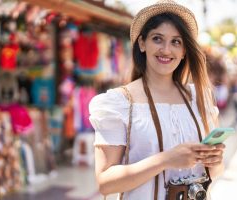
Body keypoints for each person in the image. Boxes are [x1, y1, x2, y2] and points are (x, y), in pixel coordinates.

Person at [89, 0, 225, 199]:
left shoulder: (199, 98)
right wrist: (166, 159)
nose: (166, 50)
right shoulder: (119, 103)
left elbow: (213, 173)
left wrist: (215, 160)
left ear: (184, 51)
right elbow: (105, 183)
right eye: (157, 39)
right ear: (142, 43)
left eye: (176, 42)